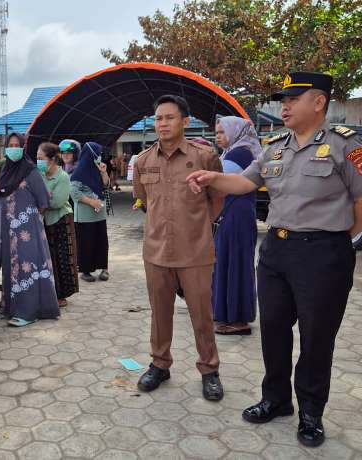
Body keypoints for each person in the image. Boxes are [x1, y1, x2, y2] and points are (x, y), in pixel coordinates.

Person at [187, 72, 362, 447]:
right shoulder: (275, 146)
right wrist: (212, 177)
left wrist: (337, 235)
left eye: (294, 99)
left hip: (323, 256)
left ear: (319, 102)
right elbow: (245, 182)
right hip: (276, 253)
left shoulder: (346, 146)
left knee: (316, 337)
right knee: (274, 330)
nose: (285, 106)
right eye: (284, 100)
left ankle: (311, 413)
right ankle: (276, 399)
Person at [133, 94, 225, 401]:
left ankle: (209, 370)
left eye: (169, 117)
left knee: (201, 314)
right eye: (158, 118)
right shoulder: (143, 160)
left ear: (185, 121)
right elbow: (143, 199)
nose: (163, 123)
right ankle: (160, 365)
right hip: (156, 251)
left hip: (195, 252)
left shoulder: (204, 157)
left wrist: (199, 228)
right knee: (160, 313)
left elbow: (217, 198)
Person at [0, 142, 60, 327]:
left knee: (27, 266)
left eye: (17, 145)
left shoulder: (31, 172)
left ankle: (29, 311)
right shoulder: (5, 172)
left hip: (27, 229)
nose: (13, 148)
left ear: (23, 148)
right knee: (12, 266)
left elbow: (43, 200)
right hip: (9, 229)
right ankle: (12, 307)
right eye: (10, 145)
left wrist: (29, 218)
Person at [212, 116, 260, 335]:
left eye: (222, 132)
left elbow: (219, 185)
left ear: (236, 132)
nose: (218, 137)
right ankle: (228, 313)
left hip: (236, 214)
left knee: (235, 263)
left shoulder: (240, 153)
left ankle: (238, 319)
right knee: (228, 261)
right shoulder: (232, 152)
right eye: (217, 132)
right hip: (233, 212)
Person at [37, 142, 79, 308]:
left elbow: (57, 202)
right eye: (37, 158)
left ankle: (62, 295)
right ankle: (51, 293)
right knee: (49, 258)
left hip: (61, 220)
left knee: (63, 259)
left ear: (52, 159)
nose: (38, 161)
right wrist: (45, 197)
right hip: (45, 221)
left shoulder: (63, 177)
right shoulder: (40, 175)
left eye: (41, 158)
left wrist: (42, 200)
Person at [70, 142, 111, 283]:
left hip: (99, 214)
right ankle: (86, 271)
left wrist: (104, 172)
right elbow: (74, 192)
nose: (99, 157)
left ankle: (104, 269)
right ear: (90, 155)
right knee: (86, 243)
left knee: (102, 242)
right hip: (85, 216)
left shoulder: (97, 169)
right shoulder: (79, 172)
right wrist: (91, 202)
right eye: (98, 154)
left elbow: (106, 185)